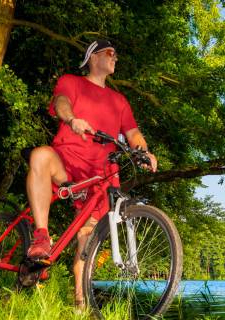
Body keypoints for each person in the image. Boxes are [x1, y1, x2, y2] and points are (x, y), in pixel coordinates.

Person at [25, 39, 157, 305]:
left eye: (116, 54)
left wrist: (143, 152)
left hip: (100, 174)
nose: (115, 58)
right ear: (93, 57)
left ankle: (80, 302)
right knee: (40, 155)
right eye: (111, 52)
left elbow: (132, 133)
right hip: (66, 162)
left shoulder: (119, 100)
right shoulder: (72, 82)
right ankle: (41, 236)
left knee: (87, 237)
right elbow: (61, 102)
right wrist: (72, 119)